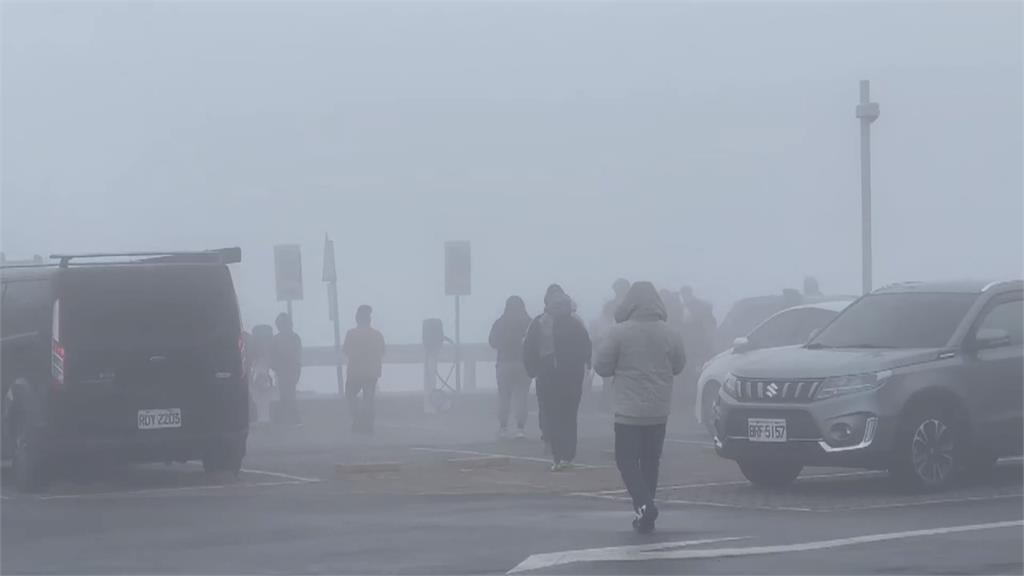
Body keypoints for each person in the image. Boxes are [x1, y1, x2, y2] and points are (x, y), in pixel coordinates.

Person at [594, 281, 686, 534]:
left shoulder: (618, 333)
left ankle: (644, 505)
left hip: (629, 411)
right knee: (650, 461)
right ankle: (646, 512)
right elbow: (679, 366)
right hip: (659, 410)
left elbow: (602, 366)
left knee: (626, 460)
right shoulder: (671, 333)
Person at [523, 284, 592, 471]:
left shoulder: (540, 322)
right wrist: (586, 364)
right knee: (569, 415)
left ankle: (558, 456)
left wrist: (532, 370)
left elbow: (529, 347)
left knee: (552, 414)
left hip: (548, 374)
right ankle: (568, 455)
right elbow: (586, 346)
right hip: (572, 375)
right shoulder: (576, 323)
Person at [489, 296, 533, 439]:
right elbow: (535, 341)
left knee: (504, 397)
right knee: (522, 397)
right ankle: (520, 429)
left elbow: (492, 342)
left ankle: (503, 428)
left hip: (504, 363)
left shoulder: (500, 322)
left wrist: (503, 344)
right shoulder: (528, 322)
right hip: (523, 364)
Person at [342, 305, 387, 435]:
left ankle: (358, 421)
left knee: (351, 396)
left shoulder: (351, 334)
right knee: (368, 399)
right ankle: (368, 425)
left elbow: (345, 351)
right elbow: (383, 351)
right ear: (369, 320)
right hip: (371, 373)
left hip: (355, 373)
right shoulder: (377, 335)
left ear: (357, 319)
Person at [270, 313, 302, 427]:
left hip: (285, 370)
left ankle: (282, 419)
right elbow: (297, 355)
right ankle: (291, 419)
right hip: (288, 370)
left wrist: (275, 366)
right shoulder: (294, 337)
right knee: (288, 394)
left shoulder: (277, 339)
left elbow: (272, 355)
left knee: (286, 394)